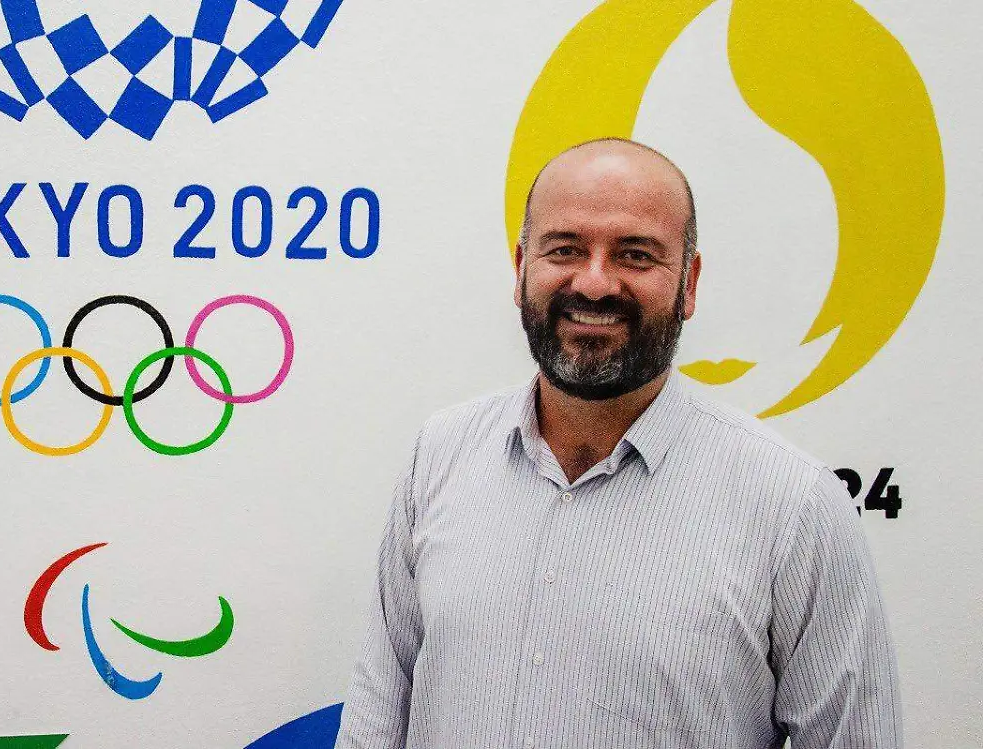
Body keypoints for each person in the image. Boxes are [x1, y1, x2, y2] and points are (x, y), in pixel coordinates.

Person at [334, 139, 901, 749]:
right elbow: (375, 719)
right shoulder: (441, 455)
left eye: (635, 255)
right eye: (565, 249)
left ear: (689, 283)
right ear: (521, 269)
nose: (595, 283)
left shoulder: (795, 507)